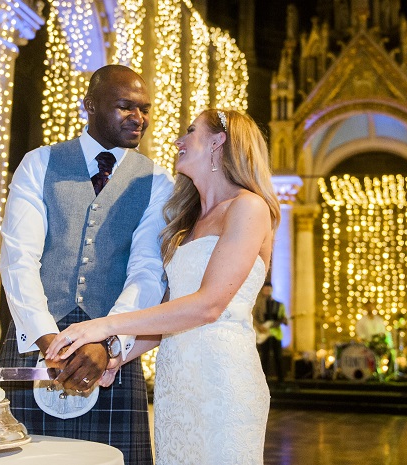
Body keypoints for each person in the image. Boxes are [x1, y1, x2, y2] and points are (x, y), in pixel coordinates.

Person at [46, 108, 281, 465]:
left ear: (218, 141)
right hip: (176, 382)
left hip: (223, 379)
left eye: (190, 132)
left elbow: (207, 306)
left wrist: (104, 325)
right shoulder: (188, 223)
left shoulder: (249, 207)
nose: (178, 141)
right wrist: (115, 356)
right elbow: (169, 317)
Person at [0, 64, 173, 465]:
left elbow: (146, 270)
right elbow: (19, 258)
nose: (139, 118)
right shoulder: (40, 163)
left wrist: (107, 341)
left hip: (110, 353)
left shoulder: (157, 181)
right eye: (125, 106)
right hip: (33, 343)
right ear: (89, 106)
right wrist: (48, 342)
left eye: (145, 109)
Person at [253, 281, 288, 382]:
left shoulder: (279, 304)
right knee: (265, 357)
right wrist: (259, 326)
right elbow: (253, 317)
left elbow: (283, 318)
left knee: (278, 357)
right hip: (263, 334)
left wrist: (284, 320)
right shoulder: (258, 304)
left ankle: (281, 380)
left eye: (269, 289)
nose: (267, 291)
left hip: (276, 334)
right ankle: (263, 381)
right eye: (266, 289)